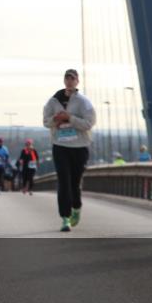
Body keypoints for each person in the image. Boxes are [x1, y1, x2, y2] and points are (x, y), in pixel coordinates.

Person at [43, 69, 96, 232]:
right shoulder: (53, 101)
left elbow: (89, 123)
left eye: (73, 78)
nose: (69, 80)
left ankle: (76, 208)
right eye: (67, 77)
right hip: (60, 146)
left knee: (75, 183)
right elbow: (46, 122)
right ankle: (65, 218)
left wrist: (70, 118)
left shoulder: (83, 102)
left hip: (79, 147)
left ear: (77, 81)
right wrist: (55, 119)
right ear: (64, 80)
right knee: (63, 182)